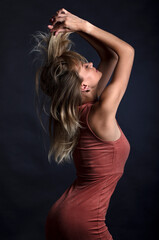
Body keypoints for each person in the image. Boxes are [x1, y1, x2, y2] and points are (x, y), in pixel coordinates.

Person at [33, 7, 135, 240]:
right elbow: (127, 52)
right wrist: (83, 25)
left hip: (61, 216)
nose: (91, 64)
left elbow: (111, 57)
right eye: (86, 68)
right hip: (83, 221)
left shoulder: (81, 112)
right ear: (83, 87)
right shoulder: (101, 113)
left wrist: (75, 28)